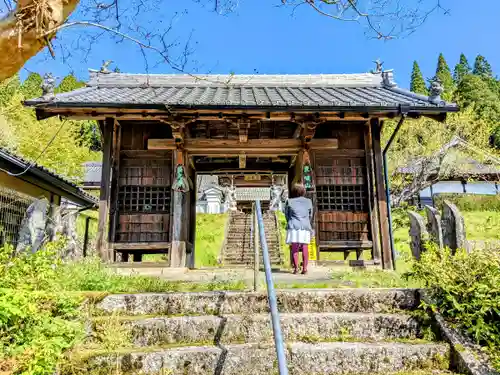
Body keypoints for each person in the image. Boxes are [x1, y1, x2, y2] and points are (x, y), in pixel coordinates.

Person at [284, 183, 313, 275]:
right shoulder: (309, 201)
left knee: (294, 247)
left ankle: (296, 269)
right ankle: (304, 269)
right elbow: (310, 215)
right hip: (305, 226)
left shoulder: (289, 201)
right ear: (303, 192)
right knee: (305, 247)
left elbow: (286, 215)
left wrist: (291, 221)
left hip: (293, 226)